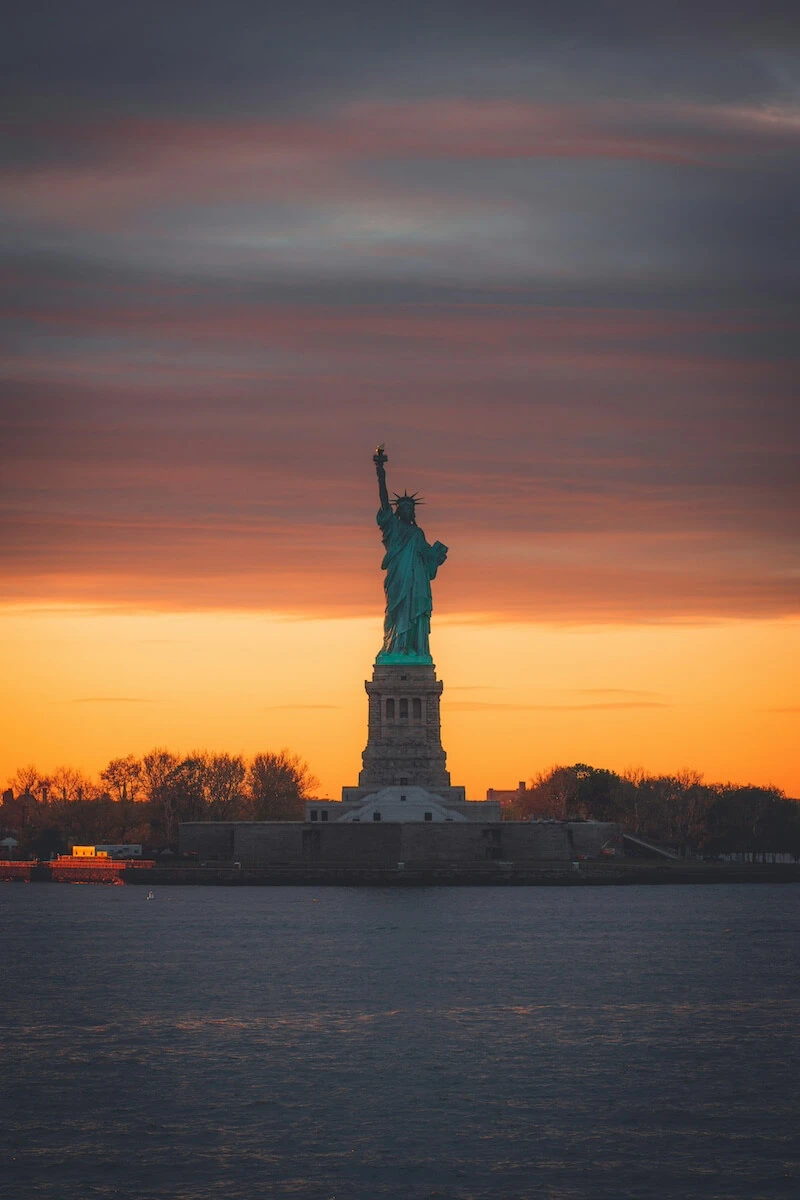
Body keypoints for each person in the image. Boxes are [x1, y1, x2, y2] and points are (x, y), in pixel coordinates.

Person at [373, 446, 448, 660]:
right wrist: (381, 473)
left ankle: (413, 649)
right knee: (396, 614)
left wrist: (437, 556)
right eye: (403, 508)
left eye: (410, 508)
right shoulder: (393, 529)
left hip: (417, 583)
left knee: (415, 614)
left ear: (412, 512)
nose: (407, 511)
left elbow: (428, 560)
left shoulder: (417, 533)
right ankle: (396, 648)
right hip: (398, 579)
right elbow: (384, 502)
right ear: (398, 511)